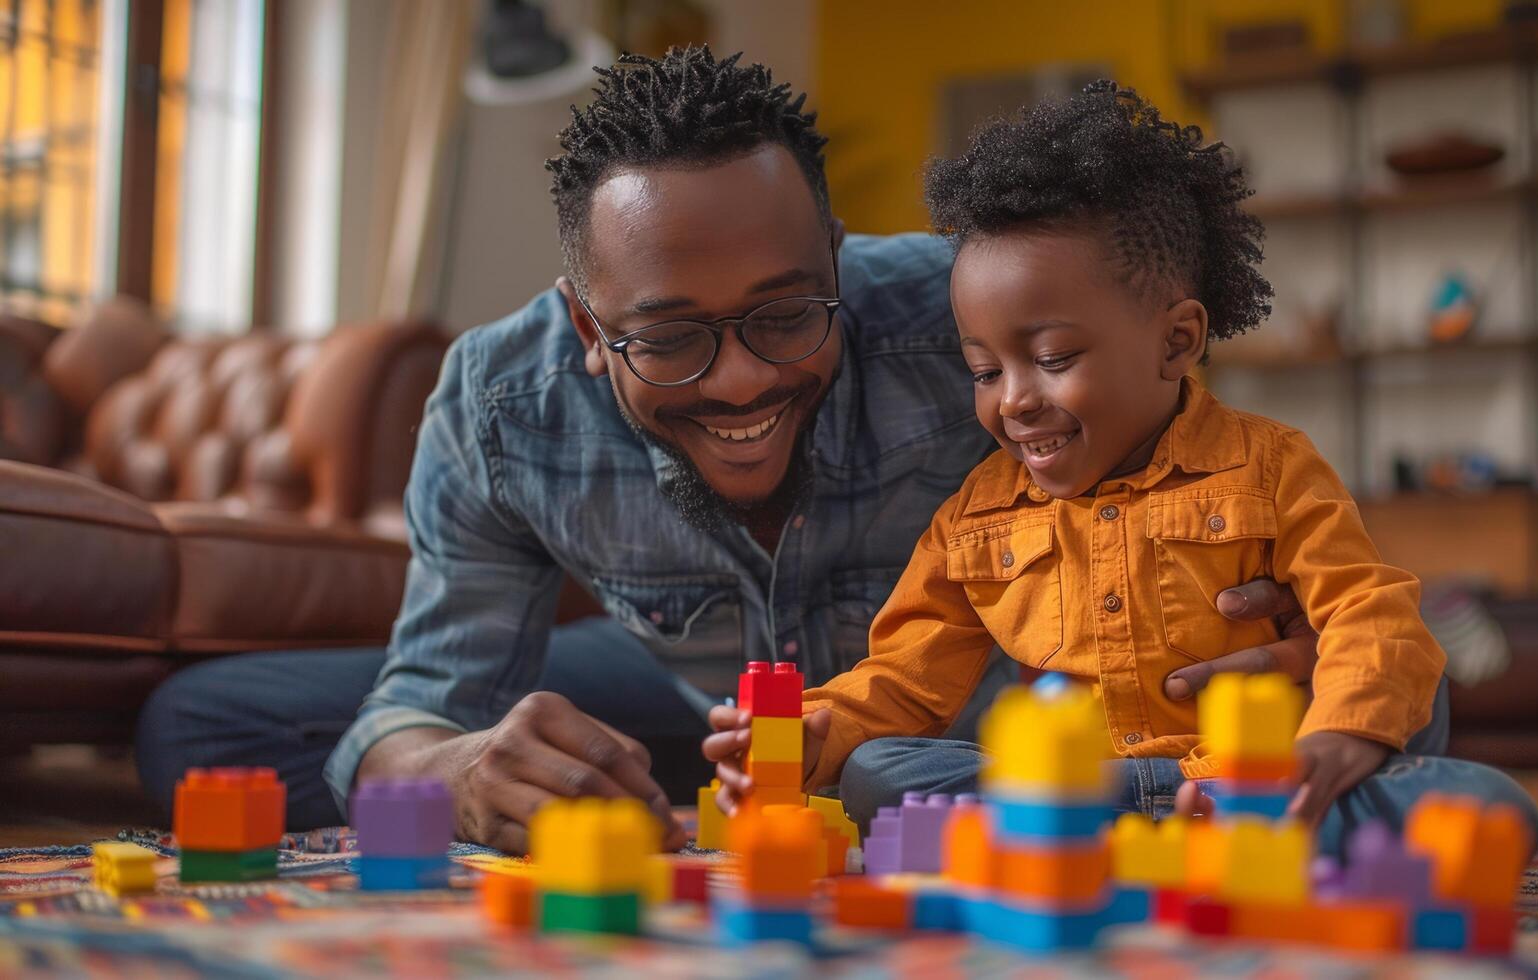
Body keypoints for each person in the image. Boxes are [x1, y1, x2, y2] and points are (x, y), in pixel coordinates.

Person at [132, 49, 1318, 852]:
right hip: (692, 705)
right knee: (203, 727)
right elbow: (424, 703)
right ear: (591, 328)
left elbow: (1223, 504)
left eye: (787, 313)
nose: (743, 376)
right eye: (671, 338)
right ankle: (666, 788)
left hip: (966, 729)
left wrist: (1294, 631)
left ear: (838, 259)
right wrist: (464, 769)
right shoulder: (502, 404)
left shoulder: (979, 331)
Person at [703, 82, 1538, 856]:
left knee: (1481, 804)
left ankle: (1197, 830)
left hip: (1245, 777)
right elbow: (905, 677)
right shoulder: (975, 516)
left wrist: (1336, 736)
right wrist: (813, 731)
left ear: (1176, 341)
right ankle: (1121, 838)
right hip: (1072, 783)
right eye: (985, 371)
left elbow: (1365, 608)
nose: (1015, 400)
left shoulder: (1272, 466)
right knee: (880, 772)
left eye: (1053, 357)